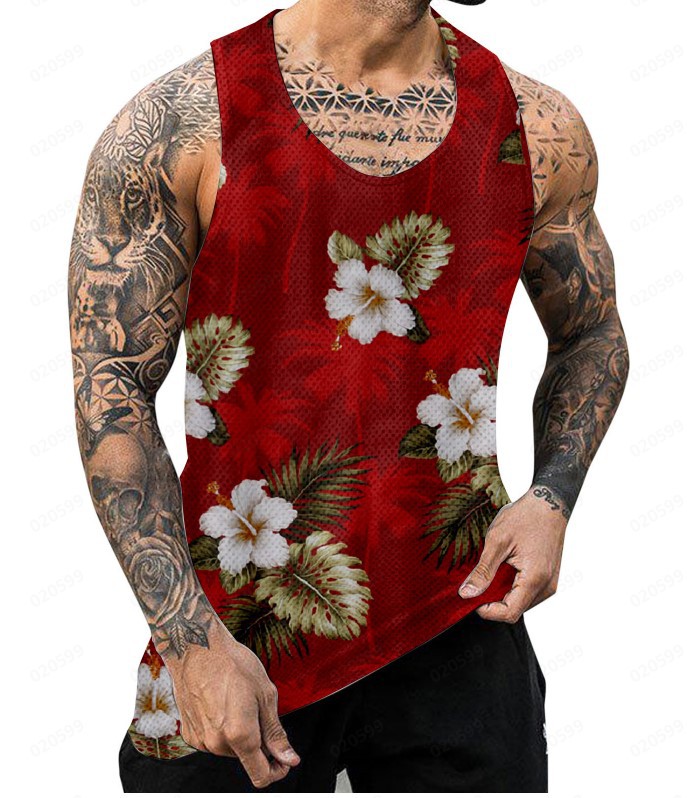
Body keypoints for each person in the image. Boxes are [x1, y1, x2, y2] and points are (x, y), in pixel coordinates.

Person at [68, 0, 629, 792]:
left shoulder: (535, 126)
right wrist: (188, 641)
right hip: (231, 633)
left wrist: (550, 498)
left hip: (458, 607)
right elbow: (112, 390)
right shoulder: (183, 123)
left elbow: (592, 333)